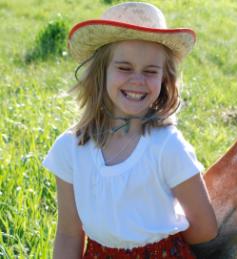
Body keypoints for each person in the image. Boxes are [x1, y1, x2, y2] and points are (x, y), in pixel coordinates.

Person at [42, 2, 217, 258]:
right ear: (100, 73)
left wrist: (163, 244)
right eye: (124, 68)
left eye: (150, 71)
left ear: (164, 80)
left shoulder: (167, 146)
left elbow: (205, 227)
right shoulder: (70, 149)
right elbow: (69, 233)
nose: (137, 80)